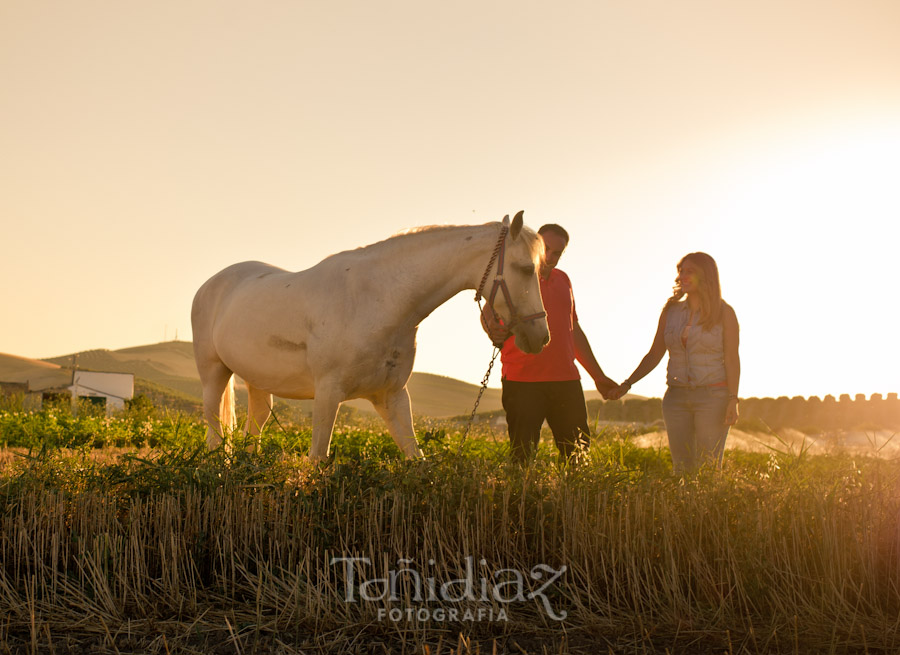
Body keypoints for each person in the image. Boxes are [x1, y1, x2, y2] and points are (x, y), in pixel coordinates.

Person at [481, 224, 616, 463]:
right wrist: (492, 328)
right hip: (522, 381)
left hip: (566, 381)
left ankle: (576, 501)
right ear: (535, 245)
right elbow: (488, 311)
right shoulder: (516, 275)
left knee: (578, 455)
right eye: (547, 249)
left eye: (557, 253)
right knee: (522, 457)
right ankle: (521, 500)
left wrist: (598, 375)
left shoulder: (564, 280)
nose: (550, 258)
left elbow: (573, 331)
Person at [608, 252, 740, 472]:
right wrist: (627, 383)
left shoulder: (724, 313)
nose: (683, 276)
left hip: (713, 398)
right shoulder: (671, 311)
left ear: (705, 276)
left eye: (690, 271)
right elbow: (654, 354)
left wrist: (733, 399)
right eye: (681, 271)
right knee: (682, 467)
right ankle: (686, 506)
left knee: (708, 468)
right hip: (676, 398)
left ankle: (707, 506)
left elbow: (732, 359)